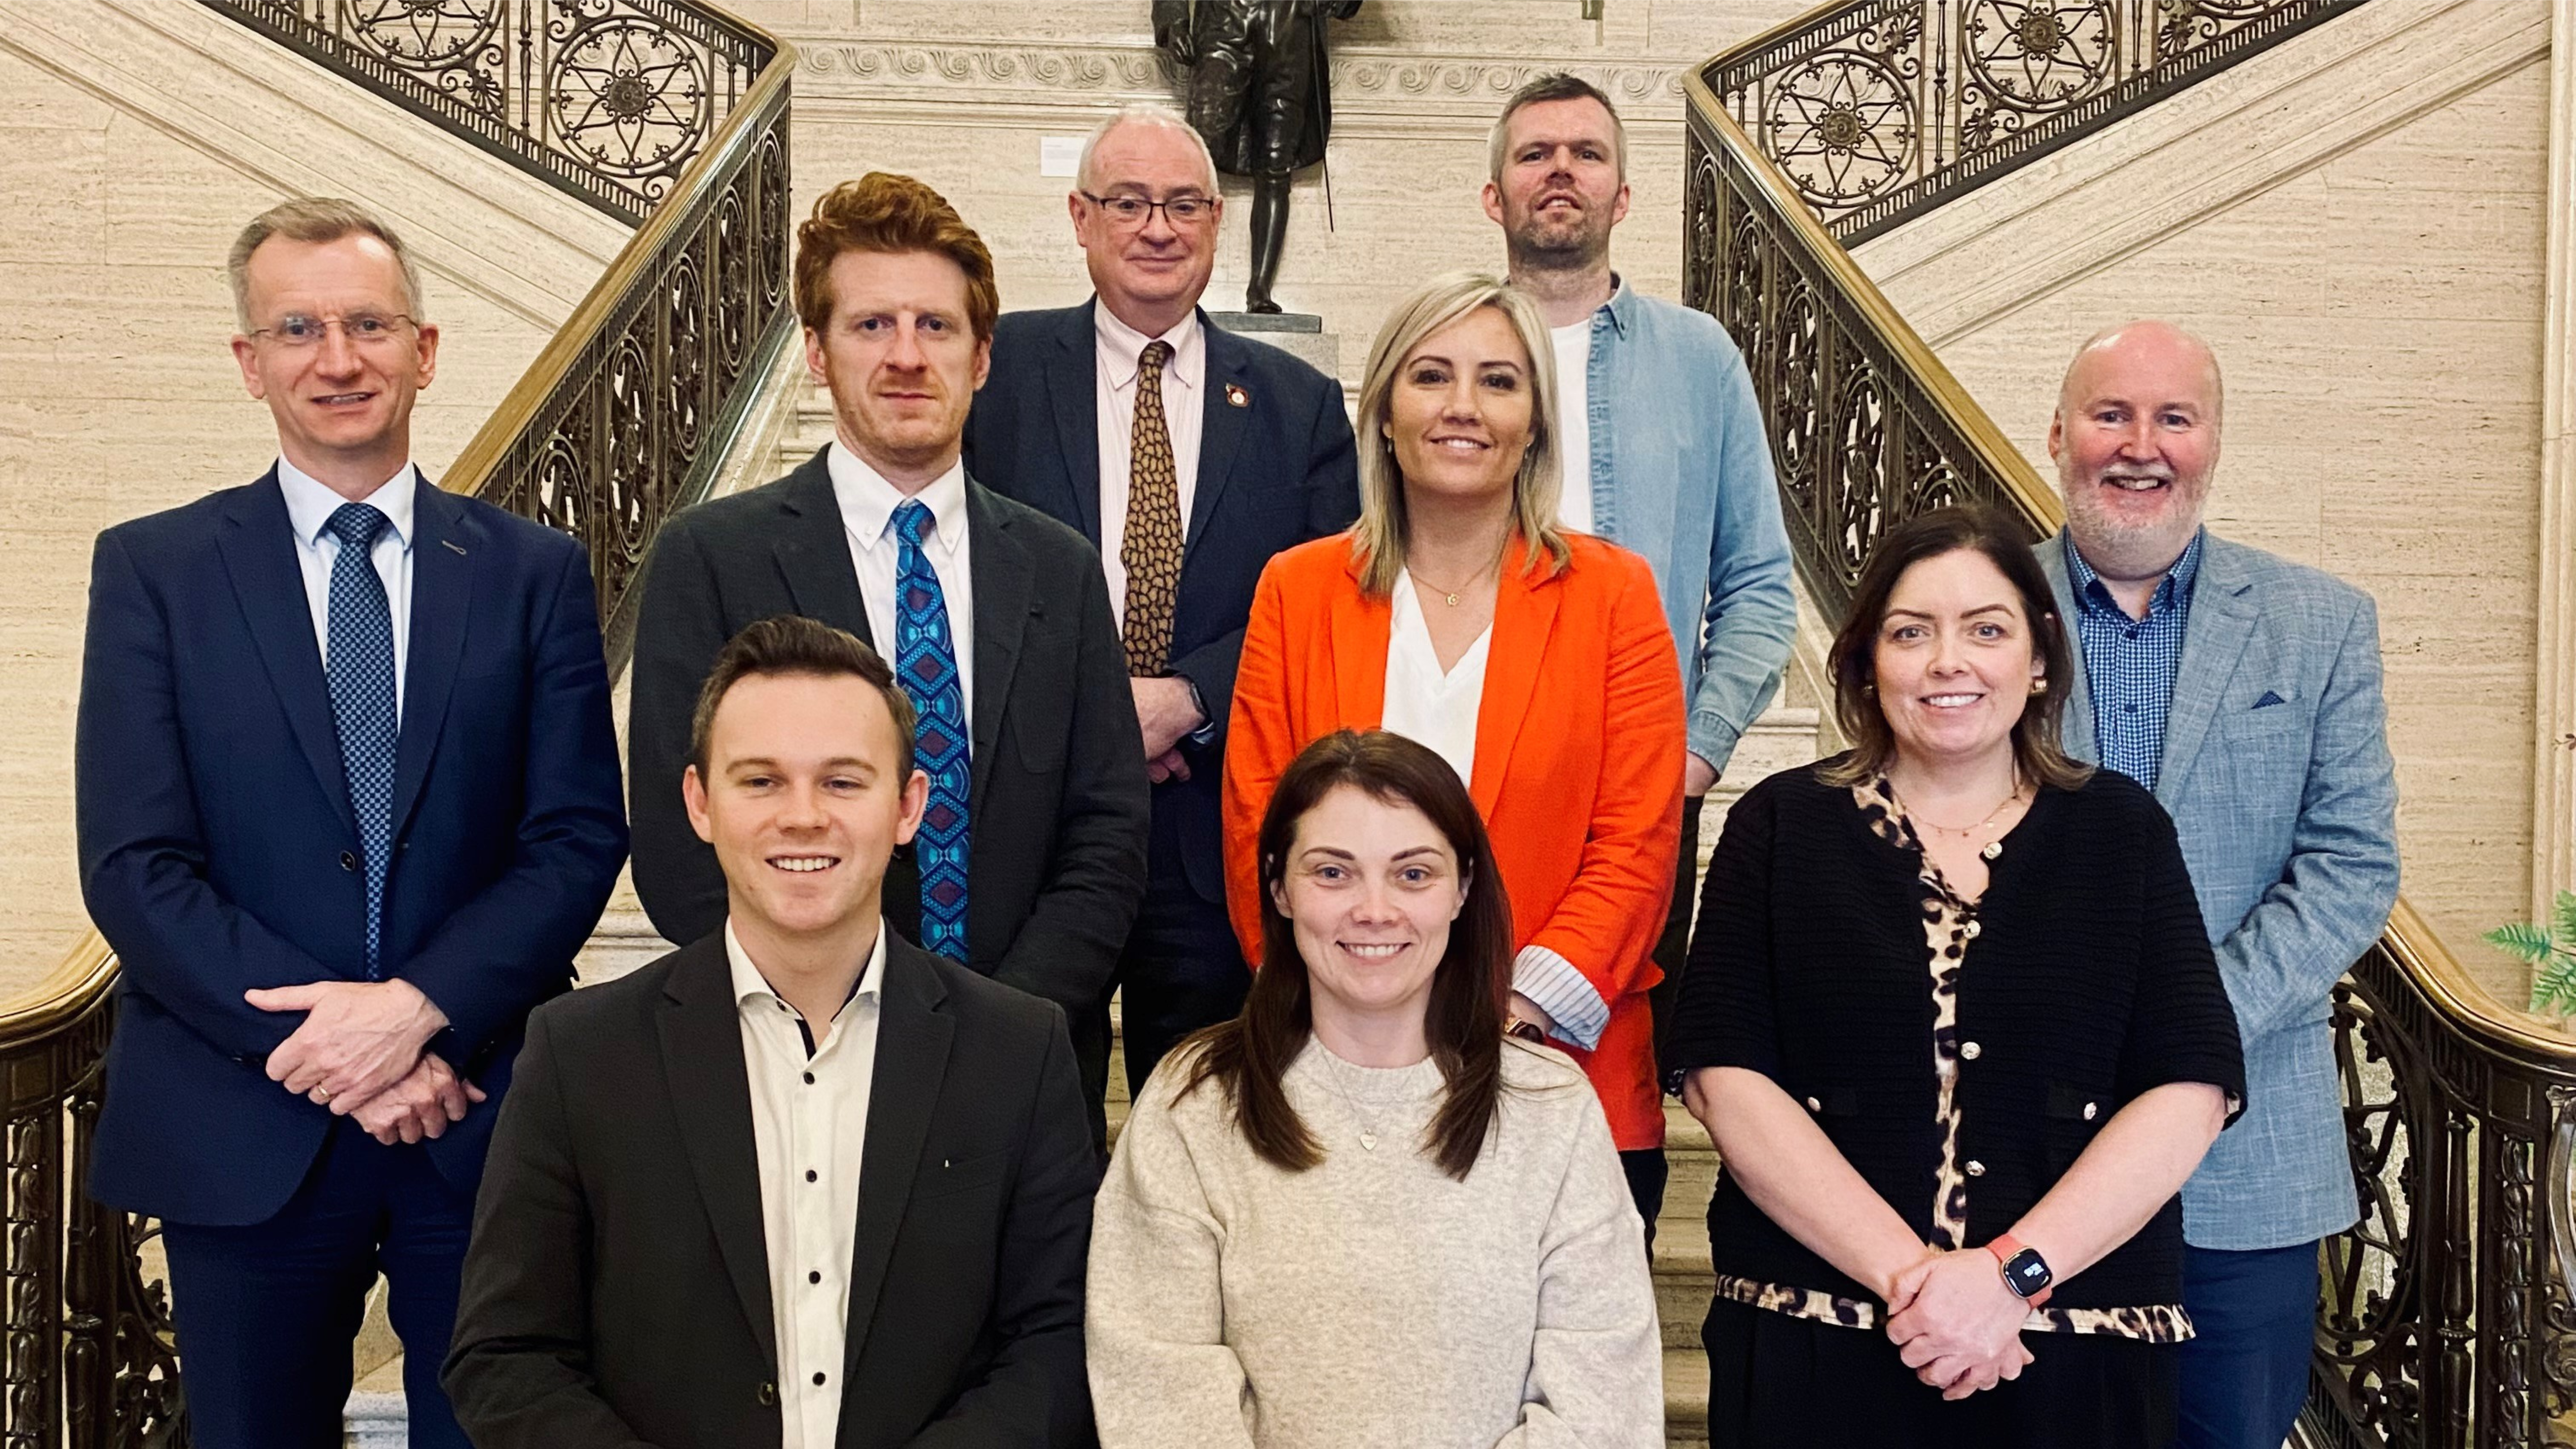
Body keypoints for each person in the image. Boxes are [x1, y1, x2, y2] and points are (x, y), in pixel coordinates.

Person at [74, 197, 628, 1449]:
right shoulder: (155, 570)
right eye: (300, 328)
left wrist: (420, 1007)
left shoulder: (533, 570)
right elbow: (134, 861)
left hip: (477, 1110)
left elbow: (576, 836)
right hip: (244, 1114)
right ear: (250, 361)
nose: (339, 358)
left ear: (424, 349)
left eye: (370, 324)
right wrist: (340, 1041)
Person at [1668, 505, 2247, 1447]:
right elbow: (1722, 1075)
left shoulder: (2121, 832)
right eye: (1910, 632)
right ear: (1863, 664)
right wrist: (1919, 1284)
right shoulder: (1780, 828)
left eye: (1987, 629)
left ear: (2041, 660)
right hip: (1816, 1337)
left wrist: (2007, 1279)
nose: (1949, 662)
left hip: (2077, 1346)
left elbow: (2189, 1086)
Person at [446, 615, 1097, 1448]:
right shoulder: (580, 1054)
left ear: (908, 808)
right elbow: (506, 1357)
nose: (803, 816)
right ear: (699, 803)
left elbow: (1056, 1344)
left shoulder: (1018, 1051)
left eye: (842, 782)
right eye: (760, 781)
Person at [627, 172, 1151, 1147]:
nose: (906, 357)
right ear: (818, 354)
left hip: (1021, 1084)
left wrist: (993, 1030)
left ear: (982, 356)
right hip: (786, 1079)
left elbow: (1107, 836)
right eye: (871, 327)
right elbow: (675, 840)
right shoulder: (712, 559)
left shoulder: (1059, 569)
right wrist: (834, 1020)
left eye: (936, 327)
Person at [1222, 270, 1684, 1227]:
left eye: (1499, 382)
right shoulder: (1297, 590)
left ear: (1536, 424)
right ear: (1385, 412)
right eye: (1431, 376)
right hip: (1333, 1083)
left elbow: (1637, 843)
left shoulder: (1614, 597)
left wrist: (1503, 1017)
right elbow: (1258, 838)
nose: (1462, 407)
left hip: (1559, 1078)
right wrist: (1367, 1029)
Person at [1092, 727, 1662, 1448]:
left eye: (1413, 874)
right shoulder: (1193, 1102)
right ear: (1279, 887)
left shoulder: (1551, 1109)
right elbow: (1157, 1382)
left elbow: (1601, 1402)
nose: (1374, 909)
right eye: (1332, 872)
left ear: (1462, 890)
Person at [2036, 320, 2399, 1449]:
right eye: (2110, 414)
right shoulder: (1976, 615)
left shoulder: (2319, 625)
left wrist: (2188, 1021)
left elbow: (2350, 864)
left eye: (2172, 419)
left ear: (2213, 444)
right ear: (2058, 436)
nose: (2139, 446)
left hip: (2245, 1166)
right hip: (2023, 1146)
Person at [964, 105, 1360, 1102]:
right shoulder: (993, 375)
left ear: (1216, 221)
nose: (1158, 227)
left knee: (1204, 1117)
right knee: (1024, 1109)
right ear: (1080, 217)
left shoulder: (1295, 404)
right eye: (1129, 202)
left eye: (1185, 203)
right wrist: (1096, 714)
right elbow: (958, 563)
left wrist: (1187, 695)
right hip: (1031, 818)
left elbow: (1327, 604)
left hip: (1212, 821)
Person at [1481, 73, 1797, 1072]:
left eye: (1586, 153)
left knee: (1613, 1065)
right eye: (1533, 154)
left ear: (1622, 196)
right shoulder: (1446, 353)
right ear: (1494, 196)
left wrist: (1689, 757)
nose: (1559, 170)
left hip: (1638, 782)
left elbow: (1757, 586)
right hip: (1467, 764)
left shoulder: (1700, 359)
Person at [1151, 0, 1363, 313]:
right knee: (1198, 152)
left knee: (1277, 163)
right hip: (1223, 22)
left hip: (1291, 24)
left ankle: (1260, 289)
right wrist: (1174, 20)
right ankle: (1181, 279)